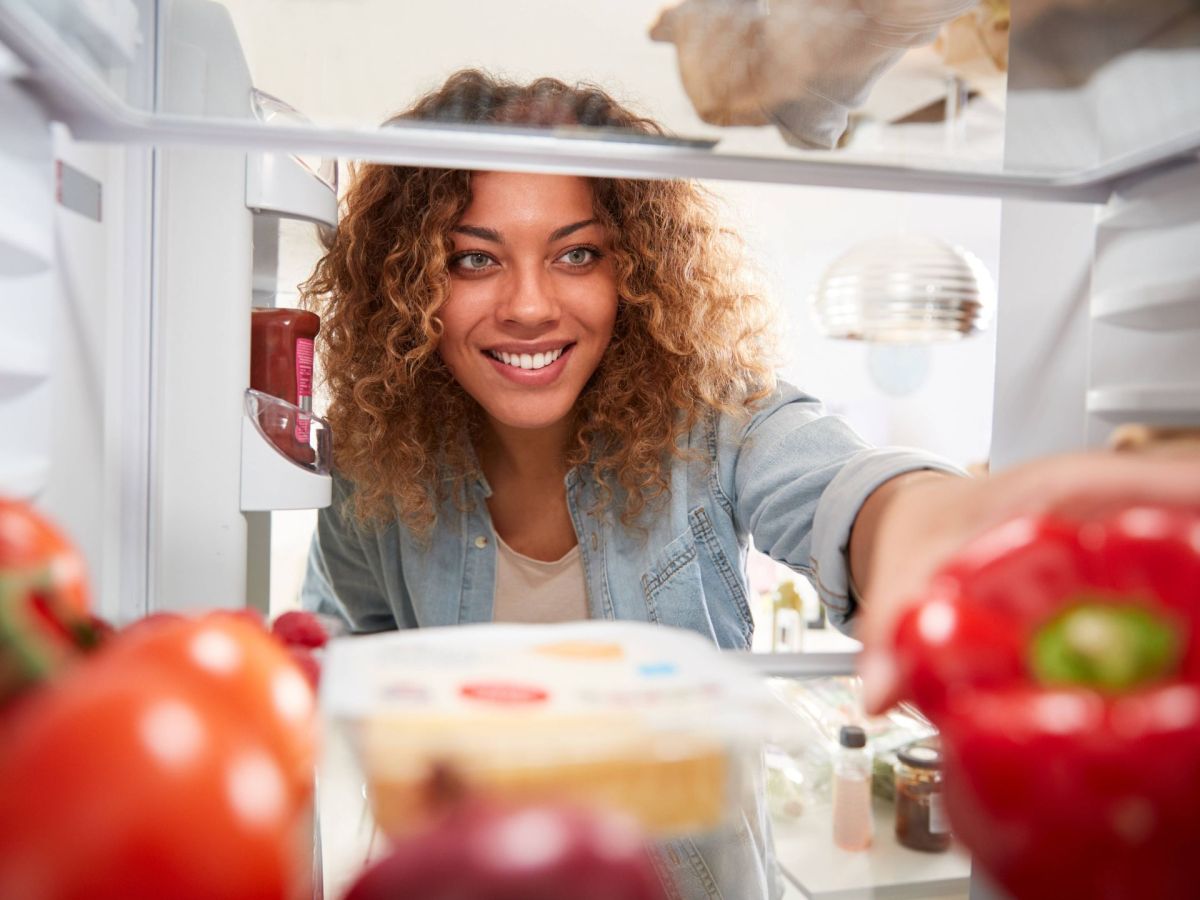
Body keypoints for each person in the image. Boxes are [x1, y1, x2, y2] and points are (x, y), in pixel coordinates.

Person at [301, 69, 1200, 899]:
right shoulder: (375, 467)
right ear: (405, 285)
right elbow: (354, 655)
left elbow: (842, 489)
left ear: (636, 271)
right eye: (474, 259)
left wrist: (932, 520)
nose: (531, 303)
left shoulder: (715, 421)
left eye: (578, 254)